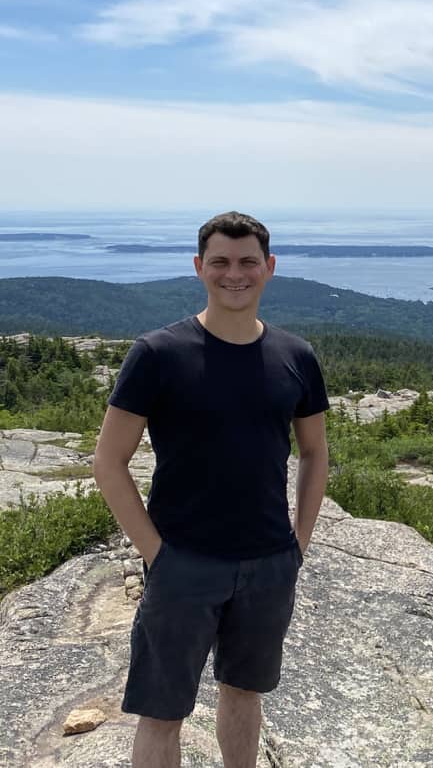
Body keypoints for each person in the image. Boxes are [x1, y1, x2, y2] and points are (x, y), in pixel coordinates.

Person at [93, 211, 329, 768]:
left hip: (269, 561)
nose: (234, 274)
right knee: (163, 711)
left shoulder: (296, 356)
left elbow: (315, 451)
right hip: (184, 562)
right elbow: (108, 461)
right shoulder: (158, 354)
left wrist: (298, 542)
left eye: (248, 262)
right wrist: (156, 554)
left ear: (269, 269)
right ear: (200, 268)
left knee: (244, 693)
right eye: (220, 262)